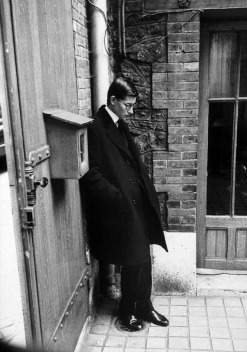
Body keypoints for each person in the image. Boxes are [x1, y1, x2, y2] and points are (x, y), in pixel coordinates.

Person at [82, 77, 168, 332]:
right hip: (120, 208)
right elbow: (91, 174)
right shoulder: (96, 128)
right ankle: (126, 311)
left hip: (136, 203)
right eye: (127, 105)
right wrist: (118, 199)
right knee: (133, 258)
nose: (131, 111)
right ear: (112, 101)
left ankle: (144, 305)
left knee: (144, 256)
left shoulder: (118, 124)